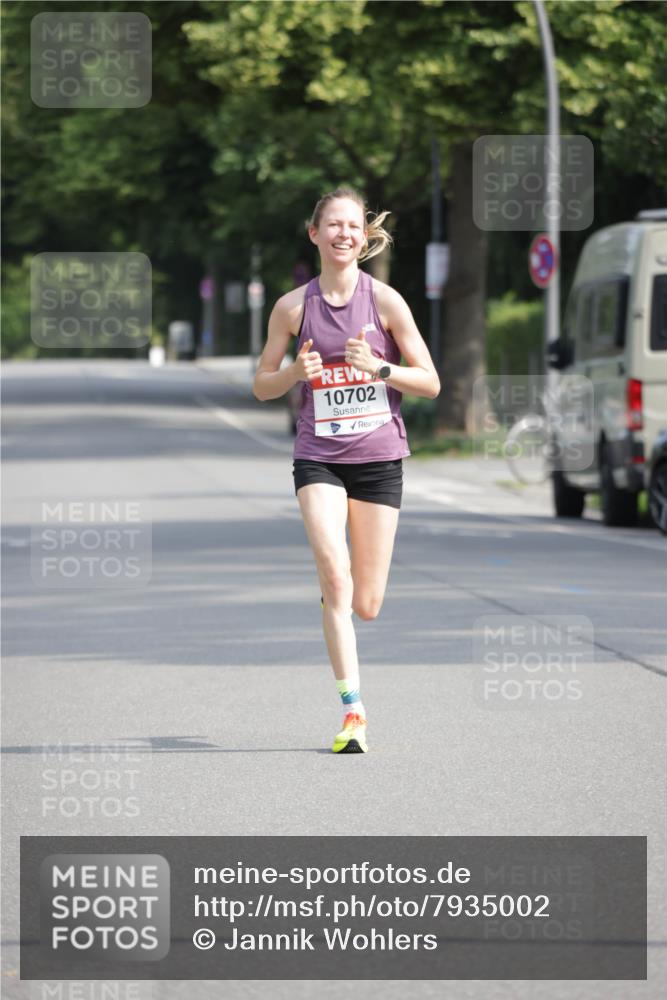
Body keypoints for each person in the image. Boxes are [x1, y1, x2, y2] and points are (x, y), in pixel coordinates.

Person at [252, 186, 440, 753]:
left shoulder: (386, 302)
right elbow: (262, 385)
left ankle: (340, 605)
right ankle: (353, 712)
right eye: (332, 225)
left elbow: (430, 381)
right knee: (336, 577)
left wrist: (380, 368)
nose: (343, 234)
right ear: (315, 234)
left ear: (364, 236)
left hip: (380, 458)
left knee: (368, 604)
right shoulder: (292, 307)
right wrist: (295, 374)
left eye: (353, 226)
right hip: (319, 456)